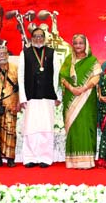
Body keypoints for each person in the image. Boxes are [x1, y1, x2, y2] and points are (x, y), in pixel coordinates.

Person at [18, 27, 62, 168]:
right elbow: (21, 76)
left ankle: (45, 157)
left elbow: (57, 75)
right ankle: (30, 157)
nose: (38, 39)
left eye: (40, 36)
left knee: (46, 128)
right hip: (31, 95)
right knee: (30, 128)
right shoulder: (24, 53)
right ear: (31, 38)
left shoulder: (52, 53)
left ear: (45, 38)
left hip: (47, 96)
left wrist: (57, 95)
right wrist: (22, 97)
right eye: (35, 36)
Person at [60, 34, 101, 169]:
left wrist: (83, 88)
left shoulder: (92, 60)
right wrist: (72, 88)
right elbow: (63, 78)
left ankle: (87, 161)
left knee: (86, 125)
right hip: (71, 98)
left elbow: (96, 78)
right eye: (76, 43)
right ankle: (73, 161)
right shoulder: (68, 60)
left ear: (86, 45)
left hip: (87, 98)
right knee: (74, 128)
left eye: (81, 43)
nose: (78, 46)